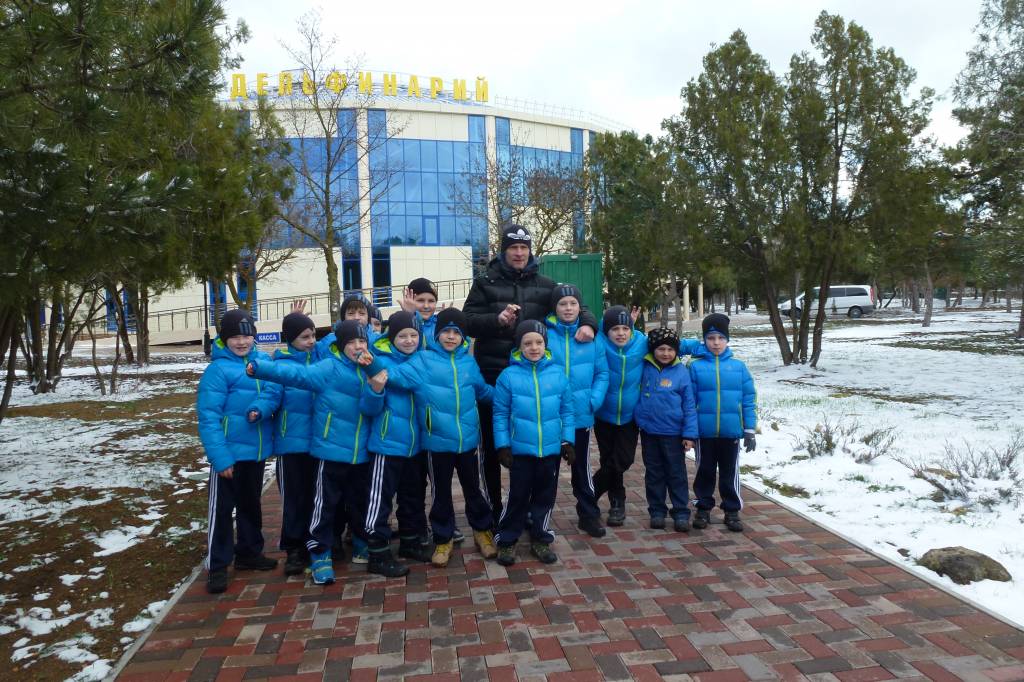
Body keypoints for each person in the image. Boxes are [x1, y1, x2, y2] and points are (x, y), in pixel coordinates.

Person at [463, 223, 598, 520]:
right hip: (493, 375)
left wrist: (589, 322)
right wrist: (497, 320)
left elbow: (575, 304)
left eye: (524, 248)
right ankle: (492, 512)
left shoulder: (545, 284)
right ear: (504, 250)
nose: (519, 253)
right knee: (493, 447)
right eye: (513, 247)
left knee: (530, 450)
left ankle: (526, 513)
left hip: (533, 379)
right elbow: (467, 321)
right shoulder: (484, 282)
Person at [247, 321, 383, 585]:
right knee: (324, 506)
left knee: (360, 503)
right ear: (340, 346)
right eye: (351, 342)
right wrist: (261, 368)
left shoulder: (370, 368)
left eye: (362, 341)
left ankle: (361, 544)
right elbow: (295, 375)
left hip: (360, 453)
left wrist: (376, 388)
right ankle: (319, 553)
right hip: (330, 451)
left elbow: (371, 409)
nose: (357, 347)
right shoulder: (328, 368)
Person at [372, 308, 497, 567]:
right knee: (441, 493)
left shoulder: (468, 363)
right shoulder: (423, 360)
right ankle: (443, 538)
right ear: (437, 334)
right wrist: (370, 364)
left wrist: (509, 395)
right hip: (436, 442)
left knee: (474, 489)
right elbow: (395, 376)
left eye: (456, 332)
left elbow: (483, 391)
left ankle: (482, 531)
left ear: (463, 337)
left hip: (468, 441)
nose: (451, 337)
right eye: (446, 331)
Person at [197, 309, 282, 594]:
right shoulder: (218, 371)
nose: (242, 342)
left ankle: (248, 552)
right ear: (224, 339)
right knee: (222, 511)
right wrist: (220, 458)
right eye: (234, 337)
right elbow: (208, 417)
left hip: (255, 452)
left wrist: (262, 409)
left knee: (250, 504)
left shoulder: (263, 362)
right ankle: (218, 565)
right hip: (228, 455)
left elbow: (274, 393)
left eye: (246, 336)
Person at [492, 320, 575, 566]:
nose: (534, 347)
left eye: (539, 342)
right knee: (517, 496)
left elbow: (567, 411)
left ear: (545, 345)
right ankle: (507, 539)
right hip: (520, 450)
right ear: (519, 346)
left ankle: (540, 537)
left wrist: (567, 441)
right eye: (527, 343)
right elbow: (500, 414)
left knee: (544, 496)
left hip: (549, 450)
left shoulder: (557, 374)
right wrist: (502, 445)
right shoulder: (508, 376)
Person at [246, 312, 319, 576]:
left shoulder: (320, 361)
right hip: (291, 446)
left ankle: (316, 543)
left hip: (318, 443)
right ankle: (294, 549)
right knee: (294, 500)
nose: (311, 341)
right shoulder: (281, 366)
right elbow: (270, 394)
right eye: (304, 337)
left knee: (317, 497)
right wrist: (258, 409)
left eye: (313, 335)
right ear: (290, 339)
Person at [361, 311, 433, 577]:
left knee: (412, 496)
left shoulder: (422, 359)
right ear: (391, 337)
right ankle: (377, 552)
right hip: (387, 443)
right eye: (402, 335)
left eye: (414, 335)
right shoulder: (378, 360)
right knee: (380, 500)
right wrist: (376, 386)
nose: (409, 340)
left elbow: (416, 383)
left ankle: (410, 541)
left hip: (415, 445)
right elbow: (369, 407)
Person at [545, 284, 609, 538]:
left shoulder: (592, 338)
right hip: (551, 416)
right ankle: (539, 517)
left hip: (581, 414)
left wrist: (594, 400)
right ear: (555, 308)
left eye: (573, 303)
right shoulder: (545, 335)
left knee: (581, 467)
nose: (568, 308)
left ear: (579, 307)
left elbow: (602, 373)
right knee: (548, 471)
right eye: (562, 304)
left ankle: (588, 514)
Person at [688, 313, 757, 532]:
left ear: (727, 339)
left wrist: (749, 429)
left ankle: (732, 509)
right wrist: (689, 432)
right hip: (704, 433)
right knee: (704, 472)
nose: (716, 343)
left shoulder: (739, 367)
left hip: (731, 432)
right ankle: (703, 507)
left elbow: (749, 399)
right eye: (710, 338)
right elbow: (689, 401)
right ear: (704, 340)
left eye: (720, 338)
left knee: (729, 473)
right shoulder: (695, 367)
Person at [634, 327, 698, 532]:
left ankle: (681, 512)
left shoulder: (682, 372)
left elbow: (689, 405)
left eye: (670, 349)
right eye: (661, 349)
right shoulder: (644, 367)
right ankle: (657, 511)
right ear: (653, 349)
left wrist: (689, 434)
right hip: (649, 432)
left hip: (674, 434)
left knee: (676, 474)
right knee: (654, 473)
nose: (666, 353)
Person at [592, 305, 645, 527]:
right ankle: (617, 503)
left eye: (625, 328)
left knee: (623, 459)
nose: (621, 333)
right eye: (615, 329)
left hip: (630, 416)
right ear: (606, 331)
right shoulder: (598, 343)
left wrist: (701, 346)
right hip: (604, 415)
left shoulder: (641, 343)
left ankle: (590, 491)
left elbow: (669, 344)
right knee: (608, 459)